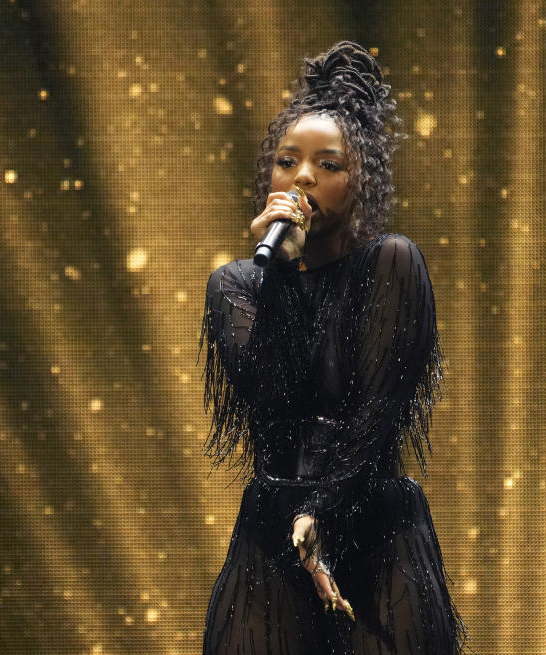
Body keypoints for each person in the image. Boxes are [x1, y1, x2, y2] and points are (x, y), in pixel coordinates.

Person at [200, 41, 467, 654]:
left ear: (360, 180)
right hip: (273, 536)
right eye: (287, 161)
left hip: (372, 522)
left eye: (328, 165)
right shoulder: (238, 287)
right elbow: (270, 399)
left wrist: (322, 511)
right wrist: (280, 278)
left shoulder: (391, 266)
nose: (301, 177)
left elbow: (379, 412)